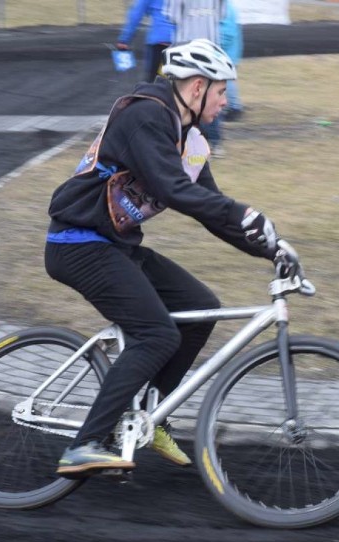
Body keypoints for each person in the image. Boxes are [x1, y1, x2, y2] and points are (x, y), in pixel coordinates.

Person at [46, 39, 283, 479]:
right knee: (155, 334)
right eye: (221, 90)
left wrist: (273, 249)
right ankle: (84, 445)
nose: (227, 100)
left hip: (114, 245)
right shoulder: (146, 116)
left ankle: (148, 415)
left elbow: (207, 206)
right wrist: (243, 212)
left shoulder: (190, 140)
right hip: (77, 244)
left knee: (200, 309)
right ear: (196, 87)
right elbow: (175, 190)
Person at [169, 0, 229, 156]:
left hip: (186, 51)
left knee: (184, 98)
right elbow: (222, 15)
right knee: (212, 95)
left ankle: (187, 142)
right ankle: (214, 143)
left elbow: (173, 16)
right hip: (211, 51)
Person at [116, 0, 176, 83]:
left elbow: (136, 14)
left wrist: (124, 39)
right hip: (181, 45)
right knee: (178, 85)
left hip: (159, 44)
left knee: (152, 84)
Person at [220, 0, 244, 122]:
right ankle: (232, 106)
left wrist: (216, 44)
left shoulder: (225, 7)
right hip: (230, 51)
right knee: (226, 80)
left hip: (227, 52)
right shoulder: (226, 5)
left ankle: (235, 108)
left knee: (227, 80)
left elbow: (227, 34)